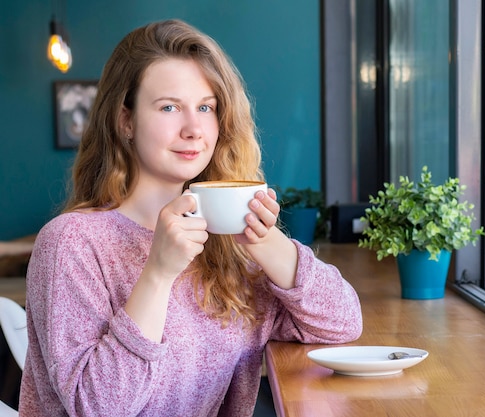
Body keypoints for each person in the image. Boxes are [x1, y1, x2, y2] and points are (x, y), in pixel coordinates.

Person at [20, 19, 362, 416]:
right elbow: (97, 407)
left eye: (206, 107)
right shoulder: (71, 242)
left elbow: (342, 322)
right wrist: (158, 273)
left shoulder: (230, 249)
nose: (194, 129)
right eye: (169, 107)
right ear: (125, 120)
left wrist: (264, 241)